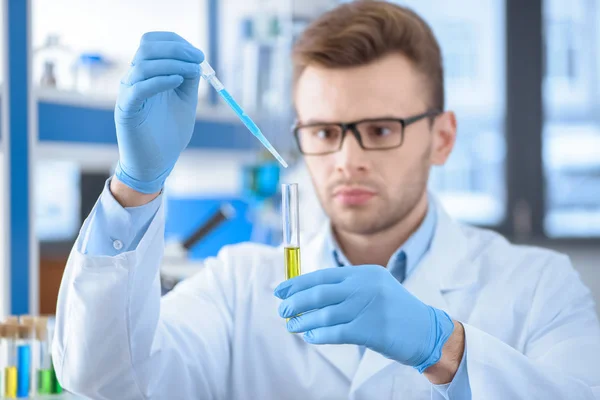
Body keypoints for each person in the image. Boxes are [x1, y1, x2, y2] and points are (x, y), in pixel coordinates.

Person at [53, 2, 600, 399]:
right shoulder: (238, 288)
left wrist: (446, 349)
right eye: (322, 131)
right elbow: (105, 380)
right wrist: (136, 184)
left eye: (381, 130)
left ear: (443, 137)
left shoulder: (538, 287)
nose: (345, 159)